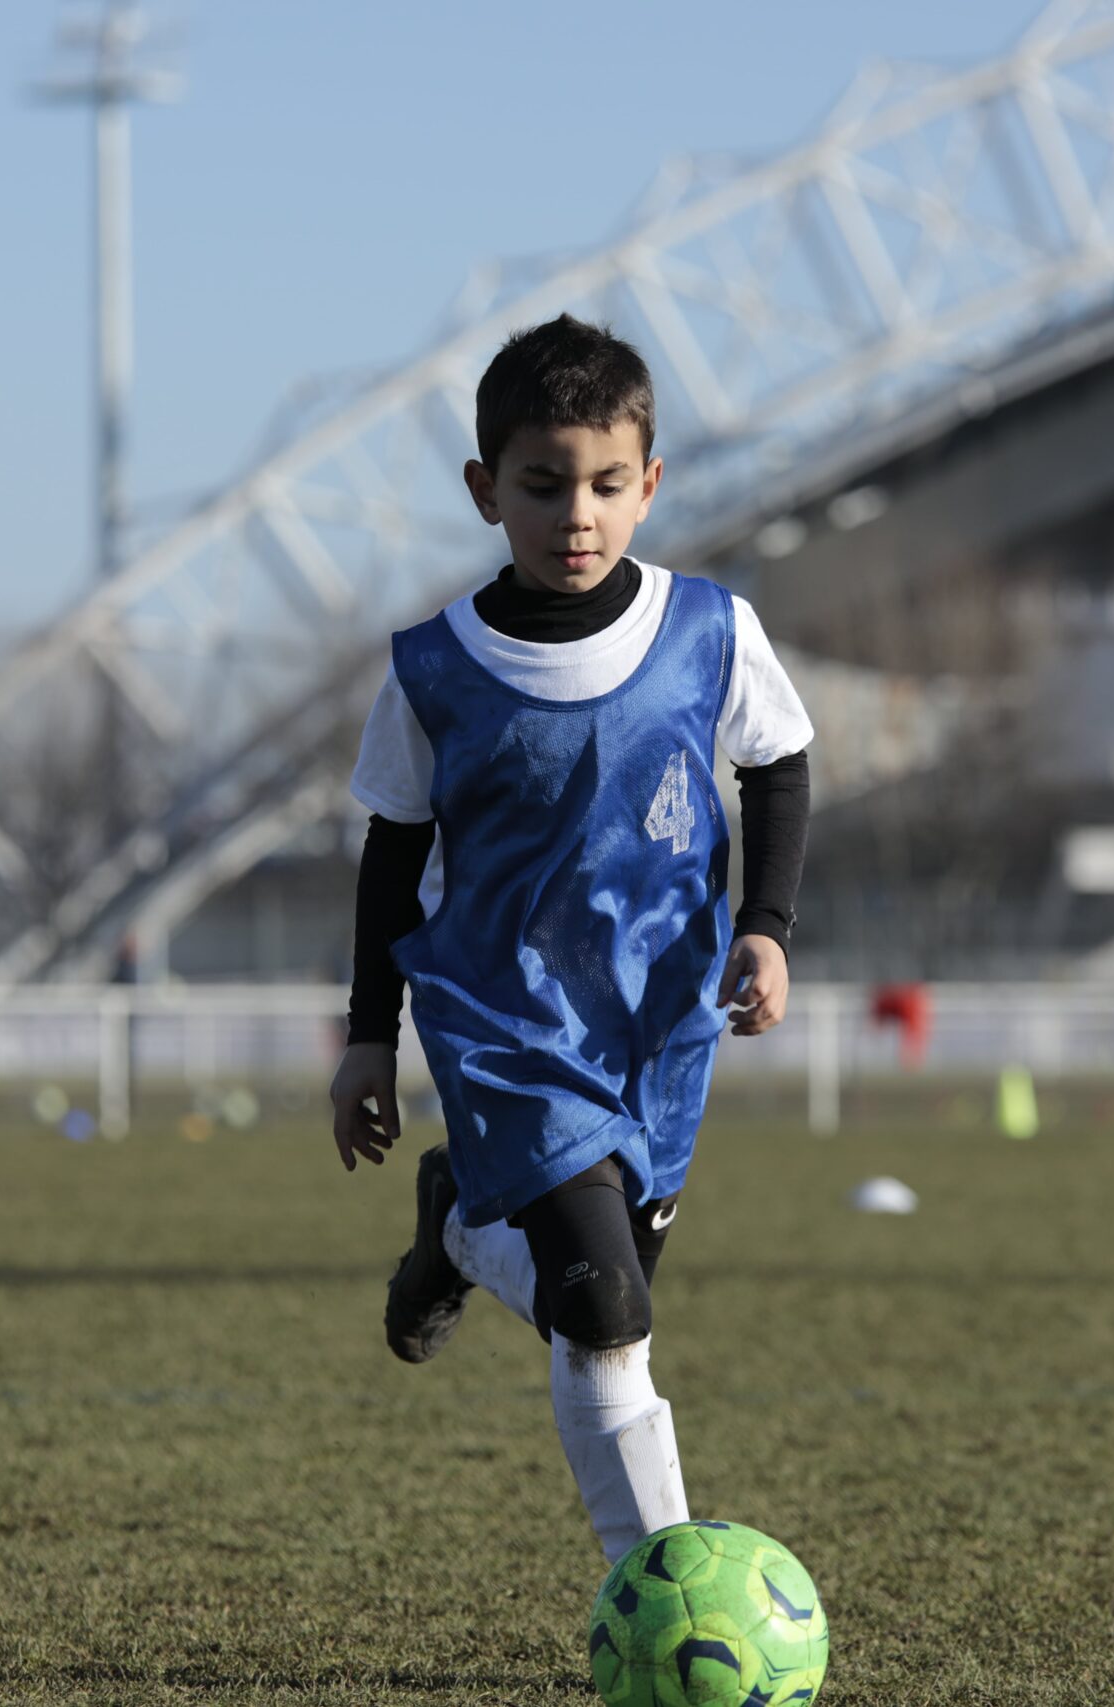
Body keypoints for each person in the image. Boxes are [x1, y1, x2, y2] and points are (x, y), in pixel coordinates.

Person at [327, 315, 815, 1565]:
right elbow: (391, 854)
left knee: (597, 1295)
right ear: (487, 489)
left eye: (606, 486)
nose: (577, 516)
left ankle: (457, 1232)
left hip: (660, 1024)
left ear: (649, 485)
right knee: (606, 1308)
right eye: (543, 487)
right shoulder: (435, 668)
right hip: (507, 1027)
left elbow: (779, 762)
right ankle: (655, 1589)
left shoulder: (709, 630)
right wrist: (366, 1041)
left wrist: (763, 929)